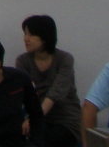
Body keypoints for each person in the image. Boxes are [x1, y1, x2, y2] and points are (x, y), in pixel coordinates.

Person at [15, 15, 82, 147]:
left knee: (48, 142)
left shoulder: (64, 59)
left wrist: (33, 119)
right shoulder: (23, 61)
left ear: (45, 37)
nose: (25, 39)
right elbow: (23, 94)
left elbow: (55, 94)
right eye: (25, 33)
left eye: (31, 34)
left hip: (67, 121)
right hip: (39, 121)